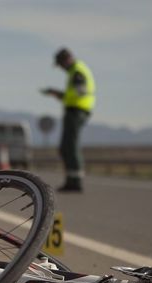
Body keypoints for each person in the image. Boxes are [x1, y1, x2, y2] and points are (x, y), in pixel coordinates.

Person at [41, 48, 96, 192]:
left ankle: (75, 182)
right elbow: (73, 94)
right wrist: (57, 94)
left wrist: (60, 94)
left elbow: (80, 93)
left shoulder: (77, 71)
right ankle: (71, 180)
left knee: (70, 146)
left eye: (60, 64)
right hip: (75, 110)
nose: (61, 68)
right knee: (66, 147)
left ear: (66, 60)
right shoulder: (75, 71)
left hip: (77, 111)